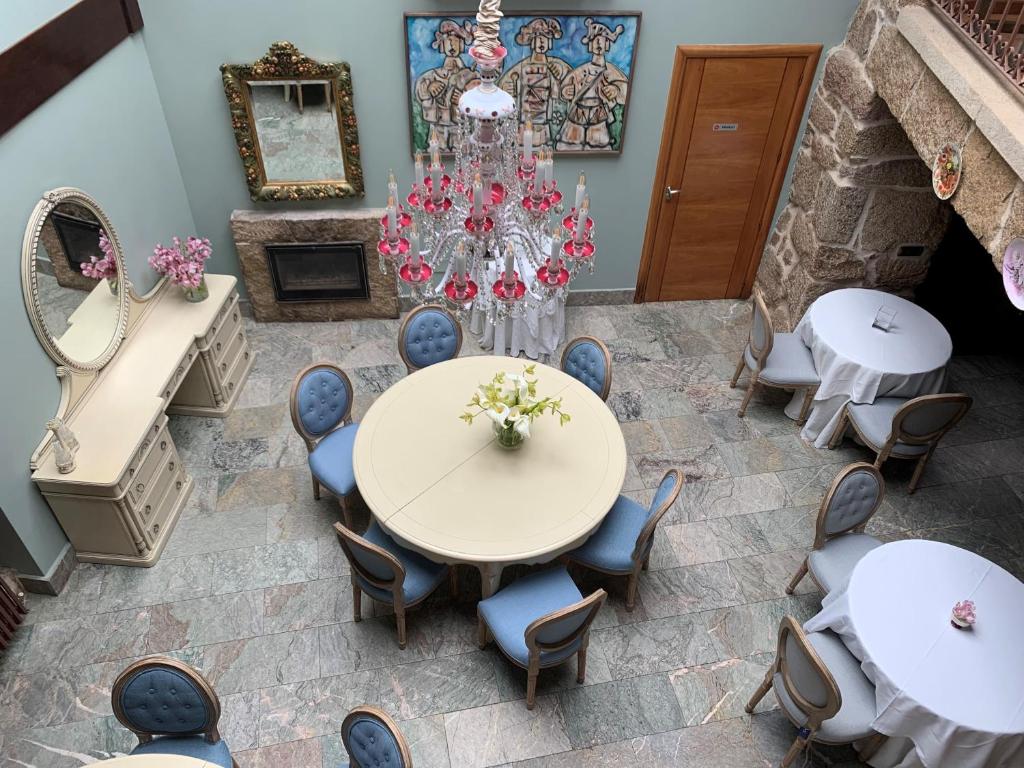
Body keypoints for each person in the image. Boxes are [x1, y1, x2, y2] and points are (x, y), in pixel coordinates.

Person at [556, 18, 628, 151]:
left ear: (607, 45)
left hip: (598, 116)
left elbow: (625, 91)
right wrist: (566, 92)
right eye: (596, 40)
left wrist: (615, 90)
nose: (599, 43)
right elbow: (564, 88)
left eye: (603, 40)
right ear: (590, 45)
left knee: (598, 145)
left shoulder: (612, 71)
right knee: (571, 144)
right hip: (577, 115)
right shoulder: (580, 71)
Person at [497, 18, 571, 148]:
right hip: (524, 123)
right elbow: (504, 85)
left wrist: (562, 87)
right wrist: (509, 89)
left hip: (544, 123)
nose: (542, 42)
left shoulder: (556, 66)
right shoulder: (520, 67)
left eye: (545, 38)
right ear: (531, 42)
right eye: (538, 38)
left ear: (550, 43)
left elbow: (567, 89)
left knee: (542, 147)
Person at [414, 19, 478, 151]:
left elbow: (480, 99)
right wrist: (429, 88)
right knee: (436, 149)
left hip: (459, 126)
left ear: (462, 45)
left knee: (461, 151)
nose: (452, 45)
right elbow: (420, 90)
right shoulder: (433, 75)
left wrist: (463, 98)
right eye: (448, 41)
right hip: (438, 125)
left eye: (456, 41)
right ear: (442, 45)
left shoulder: (471, 75)